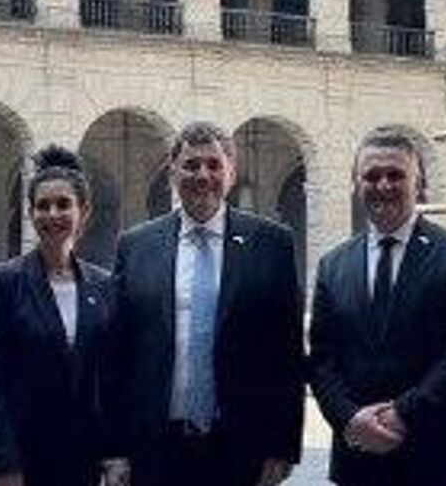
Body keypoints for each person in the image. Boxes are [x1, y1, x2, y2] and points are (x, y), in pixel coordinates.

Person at [102, 121, 304, 486]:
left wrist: (283, 445)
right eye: (191, 165)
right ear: (172, 173)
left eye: (213, 165)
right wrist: (114, 449)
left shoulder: (272, 245)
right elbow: (117, 355)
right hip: (155, 445)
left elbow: (287, 354)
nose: (202, 175)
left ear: (231, 173)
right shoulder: (135, 246)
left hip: (241, 446)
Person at [308, 126, 446, 486]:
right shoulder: (334, 264)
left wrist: (403, 412)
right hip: (358, 455)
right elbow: (320, 358)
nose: (383, 185)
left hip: (439, 453)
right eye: (372, 176)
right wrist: (349, 418)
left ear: (418, 183)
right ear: (355, 183)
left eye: (396, 175)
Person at [0, 144, 116, 486]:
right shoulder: (2, 282)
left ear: (84, 211)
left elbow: (109, 379)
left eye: (63, 204)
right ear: (31, 213)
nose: (52, 214)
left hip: (79, 461)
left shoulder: (104, 285)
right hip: (15, 462)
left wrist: (112, 454)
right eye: (42, 206)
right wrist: (5, 465)